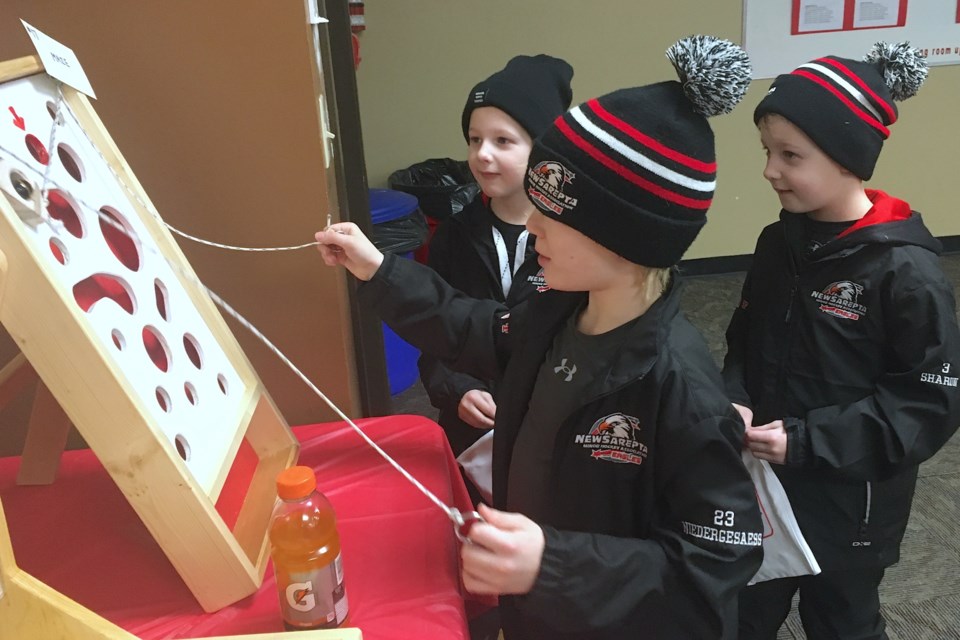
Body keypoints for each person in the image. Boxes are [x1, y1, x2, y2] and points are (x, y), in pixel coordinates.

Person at [318, 36, 761, 639]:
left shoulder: (680, 388)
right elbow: (472, 325)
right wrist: (380, 270)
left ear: (624, 238)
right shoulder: (552, 311)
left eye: (555, 215)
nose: (535, 228)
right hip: (539, 609)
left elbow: (713, 565)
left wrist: (554, 564)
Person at [722, 42, 960, 639]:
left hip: (855, 506)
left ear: (847, 156)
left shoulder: (907, 273)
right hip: (766, 491)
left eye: (790, 155)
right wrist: (734, 397)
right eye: (767, 152)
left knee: (843, 622)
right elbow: (742, 341)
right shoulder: (777, 245)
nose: (770, 170)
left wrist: (807, 441)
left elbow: (926, 403)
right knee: (740, 616)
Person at [420, 54, 573, 459]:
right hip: (473, 433)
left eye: (502, 141)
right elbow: (433, 330)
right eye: (474, 139)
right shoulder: (455, 236)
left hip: (550, 428)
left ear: (543, 149)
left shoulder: (575, 240)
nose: (482, 154)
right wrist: (457, 389)